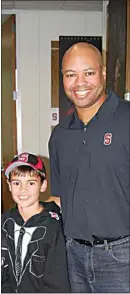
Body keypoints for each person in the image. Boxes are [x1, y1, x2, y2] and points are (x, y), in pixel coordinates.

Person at [48, 42, 130, 293]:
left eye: (89, 73)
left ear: (103, 73)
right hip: (74, 258)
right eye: (71, 74)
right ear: (63, 78)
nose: (79, 83)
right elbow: (60, 198)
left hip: (122, 258)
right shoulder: (60, 135)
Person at [1, 152, 70, 293]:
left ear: (43, 185)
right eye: (16, 183)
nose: (23, 189)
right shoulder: (5, 222)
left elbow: (58, 281)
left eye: (31, 183)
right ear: (9, 185)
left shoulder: (53, 227)